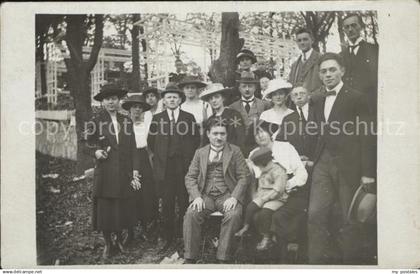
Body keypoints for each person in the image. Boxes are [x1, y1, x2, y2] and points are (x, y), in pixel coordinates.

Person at [307, 53, 376, 264]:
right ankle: (315, 264)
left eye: (332, 70)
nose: (327, 75)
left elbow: (367, 136)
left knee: (349, 218)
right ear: (319, 75)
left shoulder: (357, 97)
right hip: (322, 164)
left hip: (350, 165)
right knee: (315, 214)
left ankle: (350, 265)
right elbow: (312, 131)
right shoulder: (316, 99)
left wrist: (367, 173)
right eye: (323, 71)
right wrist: (310, 158)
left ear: (342, 71)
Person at [84, 84, 140, 259]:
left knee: (122, 206)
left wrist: (135, 170)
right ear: (102, 102)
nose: (111, 102)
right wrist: (95, 152)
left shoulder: (126, 120)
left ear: (119, 101)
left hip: (124, 172)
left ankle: (119, 239)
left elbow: (133, 148)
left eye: (114, 99)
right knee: (106, 209)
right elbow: (85, 143)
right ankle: (108, 242)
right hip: (105, 172)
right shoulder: (95, 121)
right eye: (107, 99)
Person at [183, 119, 251, 264]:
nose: (218, 137)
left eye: (222, 134)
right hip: (205, 196)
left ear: (227, 135)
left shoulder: (235, 151)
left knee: (233, 215)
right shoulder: (200, 152)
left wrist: (234, 198)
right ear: (208, 134)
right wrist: (196, 197)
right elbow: (190, 177)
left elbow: (244, 177)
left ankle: (223, 258)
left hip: (227, 195)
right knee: (191, 213)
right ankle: (190, 257)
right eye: (215, 133)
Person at [147, 83, 200, 252]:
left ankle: (184, 235)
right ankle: (167, 236)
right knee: (167, 202)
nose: (171, 100)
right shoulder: (158, 118)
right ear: (164, 100)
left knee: (184, 201)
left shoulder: (188, 117)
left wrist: (188, 160)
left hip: (184, 167)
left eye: (175, 97)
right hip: (166, 168)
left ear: (180, 100)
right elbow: (151, 142)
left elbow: (195, 140)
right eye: (168, 97)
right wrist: (162, 157)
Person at [271, 85, 318, 260]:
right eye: (295, 94)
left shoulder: (318, 114)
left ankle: (306, 246)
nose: (298, 97)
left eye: (302, 93)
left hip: (316, 166)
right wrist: (296, 160)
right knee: (295, 206)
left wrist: (313, 161)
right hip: (297, 168)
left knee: (312, 208)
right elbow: (281, 144)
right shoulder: (288, 118)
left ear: (309, 95)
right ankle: (292, 244)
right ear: (292, 97)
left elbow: (323, 140)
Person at [121, 94, 158, 245]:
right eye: (134, 107)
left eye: (140, 107)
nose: (137, 110)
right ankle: (129, 231)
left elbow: (152, 145)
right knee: (129, 195)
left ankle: (145, 228)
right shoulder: (122, 125)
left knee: (145, 194)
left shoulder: (146, 125)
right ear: (129, 109)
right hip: (127, 161)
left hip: (144, 160)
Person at [235, 147, 288, 251]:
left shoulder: (278, 171)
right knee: (251, 207)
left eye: (259, 166)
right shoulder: (264, 171)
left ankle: (266, 237)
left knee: (265, 213)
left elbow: (279, 190)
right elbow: (261, 186)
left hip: (277, 198)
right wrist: (258, 198)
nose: (259, 169)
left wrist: (265, 199)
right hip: (264, 196)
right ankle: (246, 227)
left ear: (265, 163)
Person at [340, 13, 378, 115]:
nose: (350, 29)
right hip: (348, 108)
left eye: (354, 25)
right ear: (344, 30)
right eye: (347, 27)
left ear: (361, 26)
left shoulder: (375, 50)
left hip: (370, 106)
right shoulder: (340, 56)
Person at [229, 71, 271, 156]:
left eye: (250, 86)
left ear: (255, 88)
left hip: (259, 146)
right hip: (239, 147)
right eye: (244, 86)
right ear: (239, 88)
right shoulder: (232, 107)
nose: (247, 89)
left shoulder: (265, 105)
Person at [199, 83, 246, 149]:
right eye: (211, 98)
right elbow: (205, 143)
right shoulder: (210, 120)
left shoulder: (234, 115)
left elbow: (240, 138)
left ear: (223, 98)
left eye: (217, 97)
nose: (214, 101)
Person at [178, 75, 212, 144]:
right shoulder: (180, 108)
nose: (190, 90)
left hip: (203, 140)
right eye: (187, 88)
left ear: (197, 89)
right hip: (186, 141)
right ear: (183, 90)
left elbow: (211, 125)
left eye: (192, 88)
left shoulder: (205, 105)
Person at [288, 28, 322, 94]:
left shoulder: (321, 59)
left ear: (312, 40)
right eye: (299, 40)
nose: (302, 43)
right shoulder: (294, 65)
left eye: (305, 39)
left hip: (316, 101)